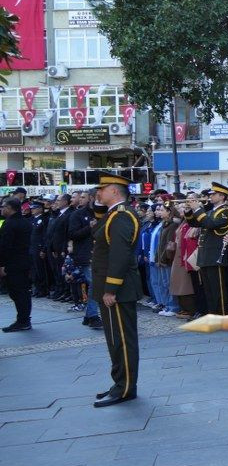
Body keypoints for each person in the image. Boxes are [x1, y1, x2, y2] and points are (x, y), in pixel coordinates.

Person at [92, 174, 142, 408]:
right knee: (114, 340)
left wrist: (111, 288)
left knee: (122, 340)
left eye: (101, 189)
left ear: (114, 190)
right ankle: (119, 383)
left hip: (118, 290)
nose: (97, 193)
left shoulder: (122, 216)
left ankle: (126, 388)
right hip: (110, 288)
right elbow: (99, 226)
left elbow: (119, 255)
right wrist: (97, 202)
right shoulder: (113, 214)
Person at [184, 182, 228, 317]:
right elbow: (194, 223)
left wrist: (197, 209)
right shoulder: (212, 210)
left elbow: (210, 224)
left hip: (216, 254)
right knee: (208, 289)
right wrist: (189, 210)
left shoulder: (225, 211)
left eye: (213, 194)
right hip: (206, 254)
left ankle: (222, 315)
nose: (210, 197)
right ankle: (213, 314)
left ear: (222, 196)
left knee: (217, 288)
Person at [0, 198, 33, 332]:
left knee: (18, 292)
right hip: (24, 262)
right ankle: (24, 319)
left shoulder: (9, 224)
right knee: (23, 292)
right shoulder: (26, 222)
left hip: (13, 263)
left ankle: (23, 320)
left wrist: (1, 265)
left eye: (3, 207)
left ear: (10, 208)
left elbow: (5, 247)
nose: (1, 209)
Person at [28, 200, 49, 297]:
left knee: (40, 270)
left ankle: (43, 289)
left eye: (34, 208)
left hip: (38, 247)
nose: (32, 210)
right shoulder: (31, 220)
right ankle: (36, 288)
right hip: (31, 247)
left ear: (40, 209)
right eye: (31, 208)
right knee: (34, 270)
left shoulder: (44, 220)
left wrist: (43, 249)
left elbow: (45, 236)